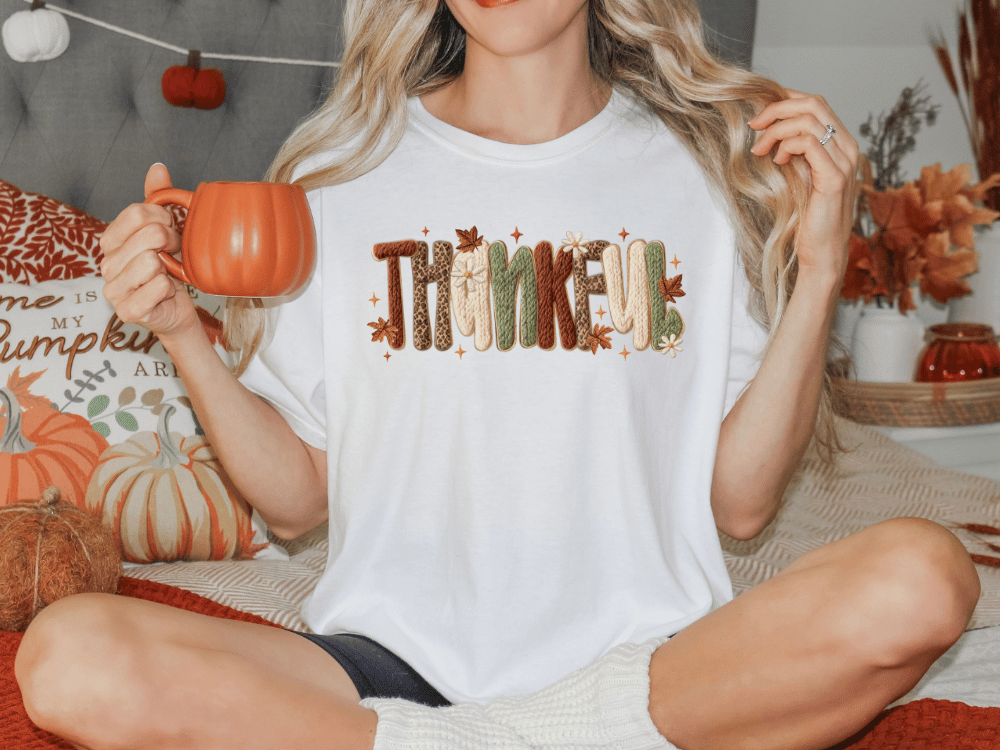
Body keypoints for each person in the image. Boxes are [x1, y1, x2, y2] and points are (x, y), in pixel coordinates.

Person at [15, 1, 980, 749]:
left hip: (654, 664)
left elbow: (739, 504)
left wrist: (818, 272)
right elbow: (296, 500)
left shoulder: (699, 174)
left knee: (924, 577)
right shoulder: (339, 176)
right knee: (70, 657)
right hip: (382, 667)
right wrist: (183, 332)